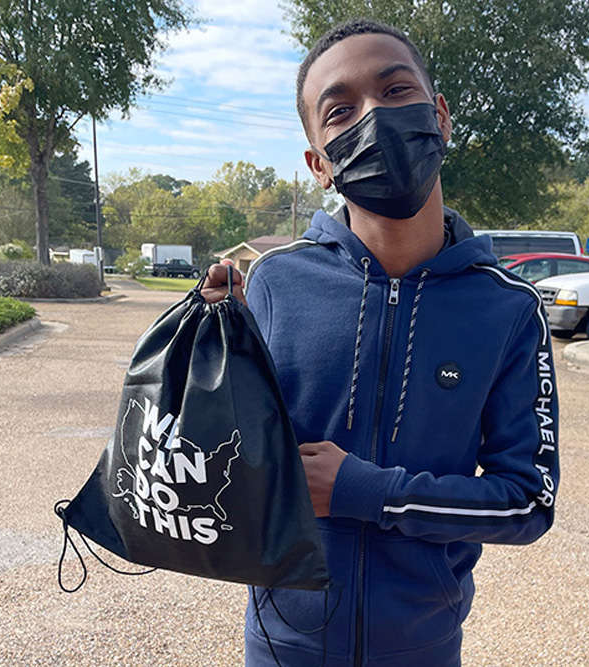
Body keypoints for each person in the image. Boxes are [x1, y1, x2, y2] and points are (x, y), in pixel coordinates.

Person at [202, 19, 559, 667]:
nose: (373, 117)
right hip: (282, 645)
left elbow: (528, 501)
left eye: (396, 91)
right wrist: (206, 354)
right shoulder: (276, 283)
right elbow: (226, 465)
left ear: (439, 117)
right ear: (318, 163)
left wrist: (372, 492)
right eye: (340, 110)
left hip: (422, 647)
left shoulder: (507, 308)